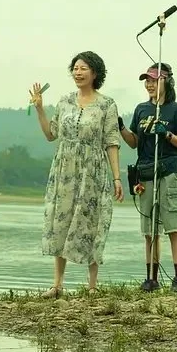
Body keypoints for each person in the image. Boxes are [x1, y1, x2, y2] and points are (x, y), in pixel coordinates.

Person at [29, 52, 123, 295]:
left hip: (93, 171)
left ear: (95, 73)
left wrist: (116, 178)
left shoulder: (107, 104)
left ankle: (92, 285)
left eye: (83, 68)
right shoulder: (64, 101)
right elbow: (52, 135)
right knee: (61, 219)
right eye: (75, 68)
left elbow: (112, 142)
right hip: (64, 169)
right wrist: (40, 109)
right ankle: (57, 284)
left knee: (91, 220)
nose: (78, 72)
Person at [119, 63, 177, 290]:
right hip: (146, 172)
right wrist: (121, 127)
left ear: (166, 81)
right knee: (150, 230)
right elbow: (134, 142)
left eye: (154, 80)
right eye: (147, 80)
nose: (149, 84)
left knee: (174, 227)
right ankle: (151, 278)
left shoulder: (176, 110)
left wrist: (168, 134)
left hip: (171, 172)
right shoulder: (141, 109)